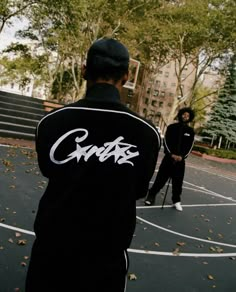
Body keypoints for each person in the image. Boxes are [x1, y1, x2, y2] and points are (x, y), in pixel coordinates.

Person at [25, 38, 161, 292]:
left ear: (84, 70)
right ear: (127, 75)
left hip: (52, 248)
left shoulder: (52, 122)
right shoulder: (146, 132)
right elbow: (139, 189)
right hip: (106, 255)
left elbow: (48, 169)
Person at [144, 107, 195, 211]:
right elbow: (166, 141)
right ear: (180, 115)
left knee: (178, 182)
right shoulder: (172, 127)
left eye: (188, 115)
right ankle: (151, 195)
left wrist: (182, 156)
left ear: (190, 118)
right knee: (160, 179)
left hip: (180, 161)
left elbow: (190, 146)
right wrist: (171, 154)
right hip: (168, 159)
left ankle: (176, 201)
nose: (185, 116)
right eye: (184, 114)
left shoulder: (190, 131)